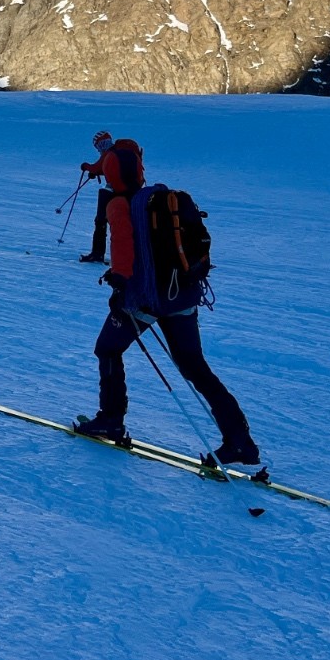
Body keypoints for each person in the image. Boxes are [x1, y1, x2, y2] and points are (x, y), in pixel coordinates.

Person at [73, 152, 259, 467]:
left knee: (107, 348)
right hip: (183, 296)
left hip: (147, 299)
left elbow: (122, 256)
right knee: (195, 367)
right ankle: (240, 442)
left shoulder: (119, 204)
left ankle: (110, 420)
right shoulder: (158, 198)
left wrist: (119, 286)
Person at [77, 131, 142, 263]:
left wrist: (85, 167)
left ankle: (97, 253)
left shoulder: (108, 153)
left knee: (101, 221)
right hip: (134, 192)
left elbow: (96, 167)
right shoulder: (126, 151)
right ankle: (137, 255)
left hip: (113, 193)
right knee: (133, 222)